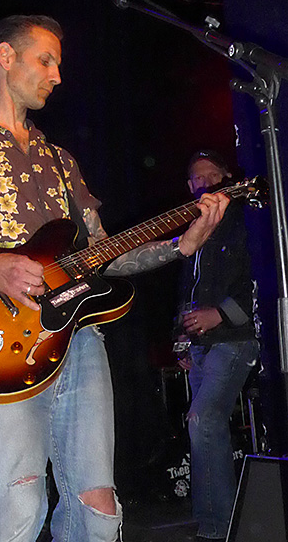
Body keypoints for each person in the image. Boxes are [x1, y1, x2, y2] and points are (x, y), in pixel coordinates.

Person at [0, 15, 228, 542]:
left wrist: (180, 246)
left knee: (98, 506)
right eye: (46, 60)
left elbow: (104, 254)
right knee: (19, 503)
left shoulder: (60, 161)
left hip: (77, 338)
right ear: (6, 57)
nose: (57, 75)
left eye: (58, 64)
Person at [175, 150, 260, 542]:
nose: (205, 182)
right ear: (189, 186)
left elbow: (257, 281)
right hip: (200, 345)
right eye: (198, 178)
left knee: (203, 419)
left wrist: (220, 315)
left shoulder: (244, 221)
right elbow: (185, 289)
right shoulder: (193, 230)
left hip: (235, 339)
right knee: (203, 425)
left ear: (226, 177)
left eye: (213, 175)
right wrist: (181, 337)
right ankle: (211, 522)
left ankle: (219, 528)